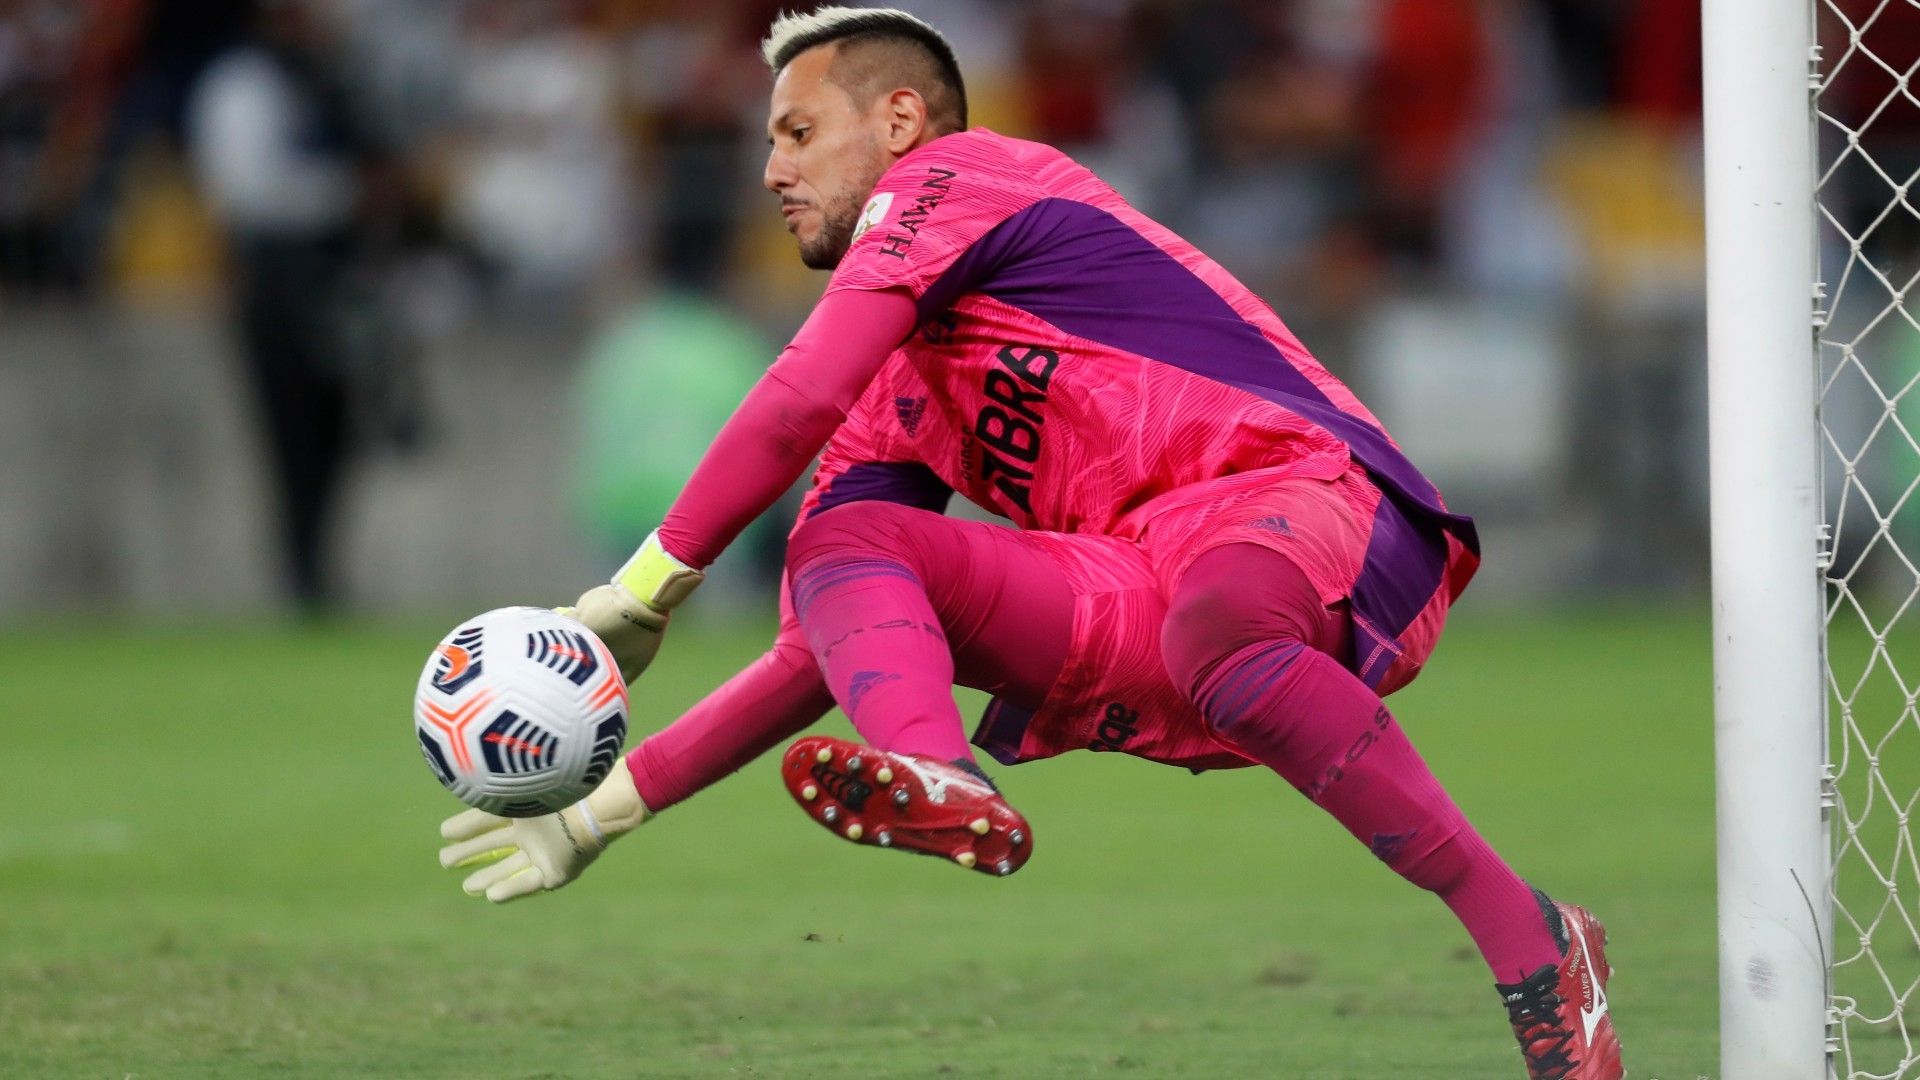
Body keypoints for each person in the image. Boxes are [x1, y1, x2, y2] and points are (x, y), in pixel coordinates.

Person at [434, 8, 1621, 1078]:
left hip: (1311, 497)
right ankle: (943, 774)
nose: (771, 171)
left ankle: (1531, 941)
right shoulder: (892, 386)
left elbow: (794, 400)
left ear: (899, 122)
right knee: (840, 543)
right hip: (1153, 583)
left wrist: (646, 589)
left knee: (1217, 616)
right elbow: (823, 646)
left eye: (798, 133)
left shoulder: (965, 176)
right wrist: (606, 808)